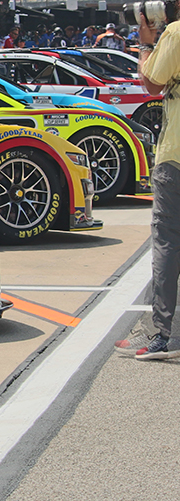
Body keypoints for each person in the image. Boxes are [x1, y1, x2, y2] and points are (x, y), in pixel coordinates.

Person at [115, 13, 180, 359]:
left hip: (178, 154)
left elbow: (151, 83)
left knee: (168, 240)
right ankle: (153, 328)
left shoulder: (176, 33)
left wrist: (146, 44)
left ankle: (164, 334)